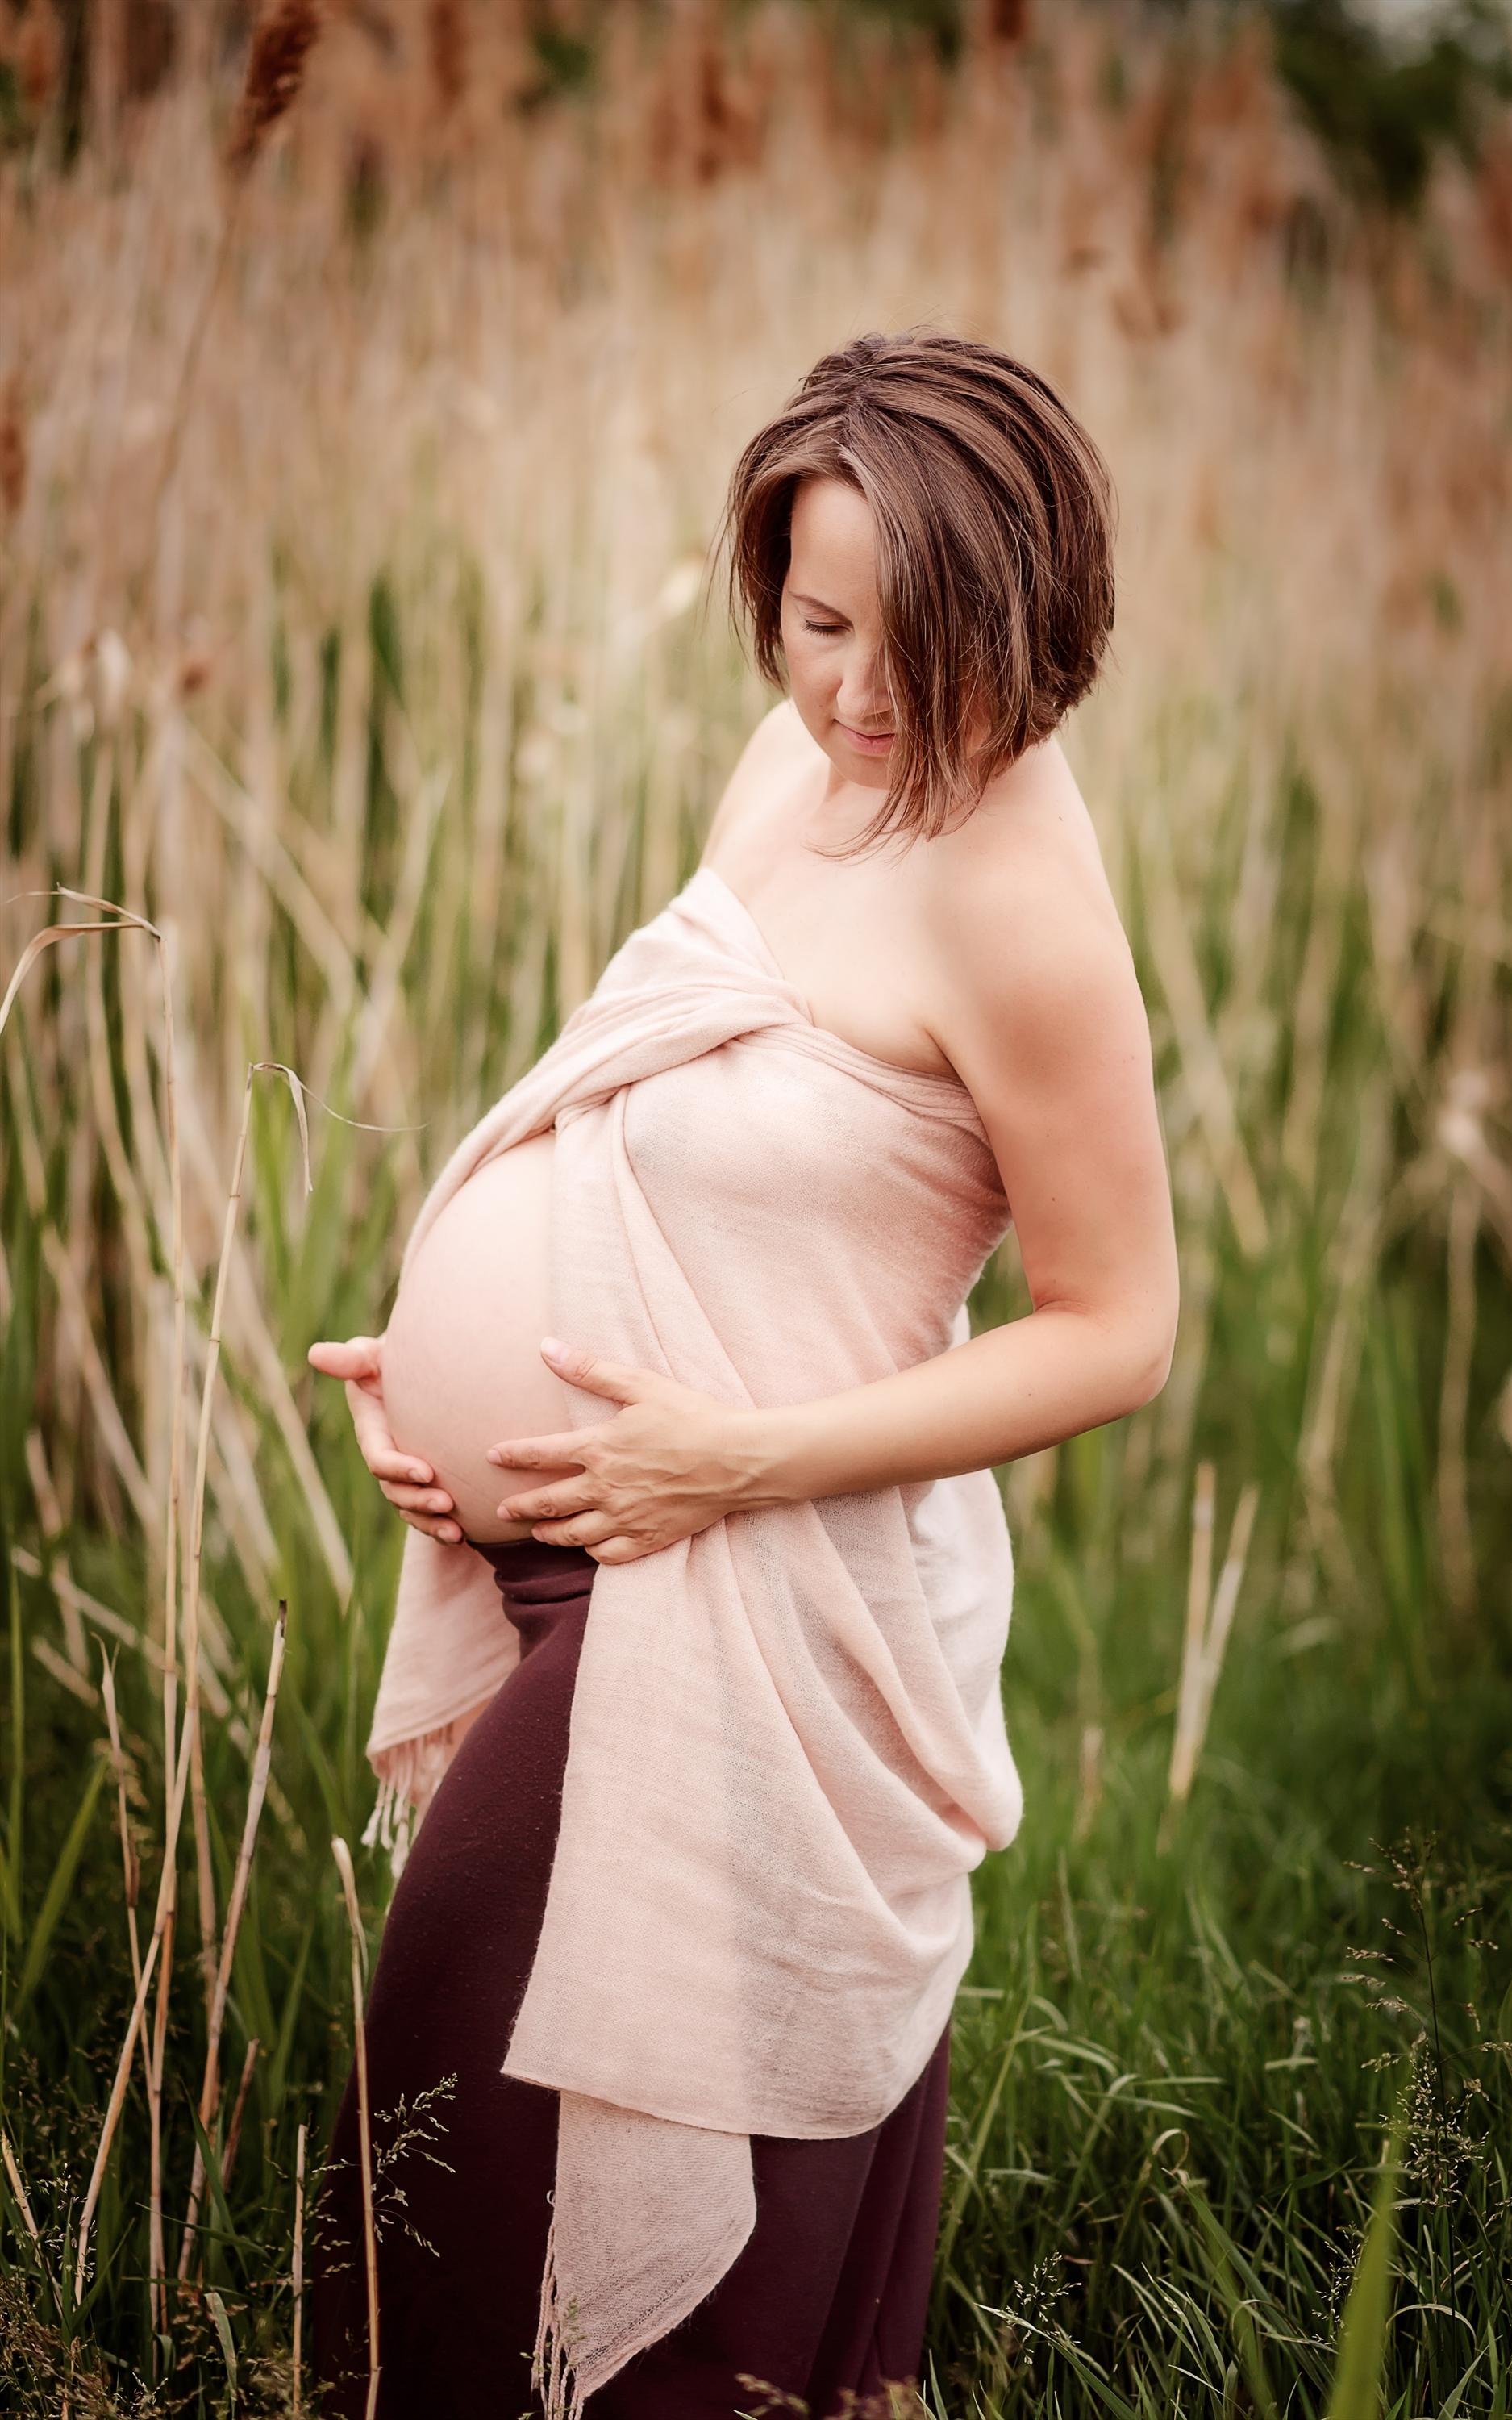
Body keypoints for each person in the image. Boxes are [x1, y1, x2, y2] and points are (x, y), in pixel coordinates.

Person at [306, 328, 1179, 2420]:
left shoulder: (1018, 908)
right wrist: (443, 1358)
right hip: (604, 1547)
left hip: (737, 1589)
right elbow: (661, 1083)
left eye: (917, 646)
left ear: (1030, 616)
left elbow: (1118, 1328)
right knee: (457, 2119)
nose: (854, 697)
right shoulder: (793, 766)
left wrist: (729, 1462)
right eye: (813, 624)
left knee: (531, 2130)